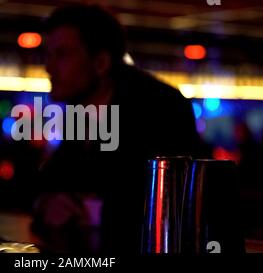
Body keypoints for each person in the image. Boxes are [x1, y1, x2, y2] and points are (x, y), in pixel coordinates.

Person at [31, 4, 202, 254]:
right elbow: (49, 179)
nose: (49, 66)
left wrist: (89, 208)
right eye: (48, 54)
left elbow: (173, 203)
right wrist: (45, 203)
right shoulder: (80, 109)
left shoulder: (159, 106)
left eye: (62, 55)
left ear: (100, 62)